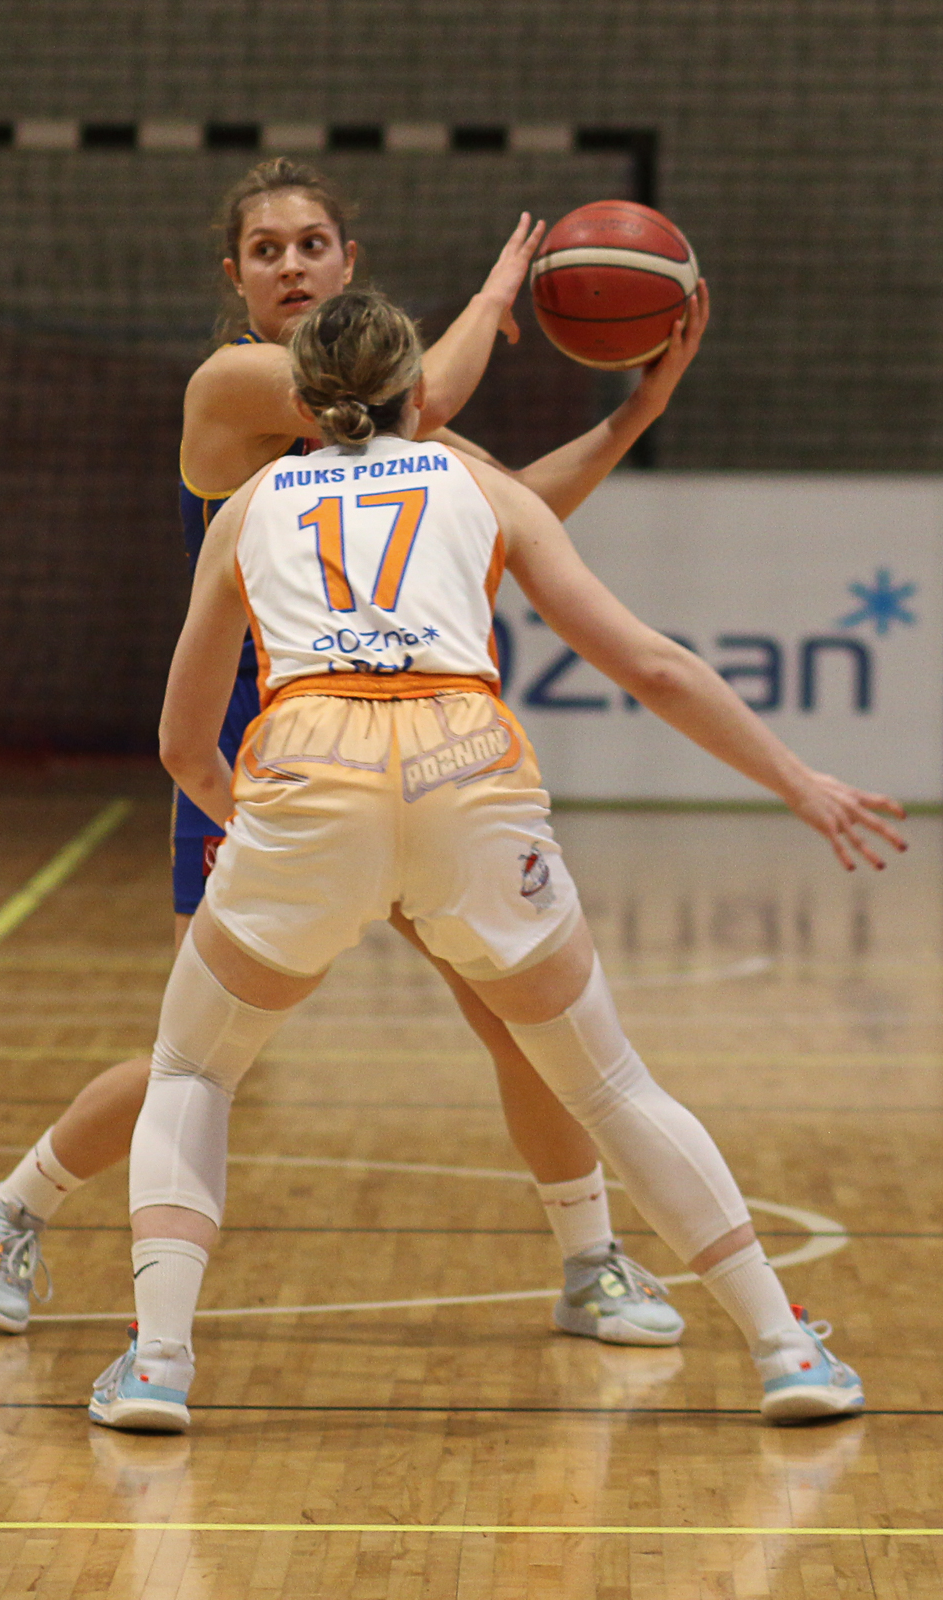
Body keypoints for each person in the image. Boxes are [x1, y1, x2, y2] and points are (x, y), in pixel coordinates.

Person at [88, 289, 905, 1433]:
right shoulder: (479, 485)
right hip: (464, 771)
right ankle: (783, 1347)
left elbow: (182, 743)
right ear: (418, 391)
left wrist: (260, 831)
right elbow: (652, 666)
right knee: (608, 1083)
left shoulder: (248, 507)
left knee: (191, 1072)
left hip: (308, 774)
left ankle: (160, 1364)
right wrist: (798, 783)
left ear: (304, 402)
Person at [0, 157, 708, 1349]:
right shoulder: (233, 385)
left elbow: (513, 511)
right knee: (201, 1056)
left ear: (348, 262)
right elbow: (435, 393)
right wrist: (495, 292)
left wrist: (633, 413)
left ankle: (588, 1260)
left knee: (512, 1022)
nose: (291, 265)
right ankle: (7, 1208)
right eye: (267, 250)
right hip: (259, 762)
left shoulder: (397, 432)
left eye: (312, 244)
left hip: (407, 761)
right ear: (235, 278)